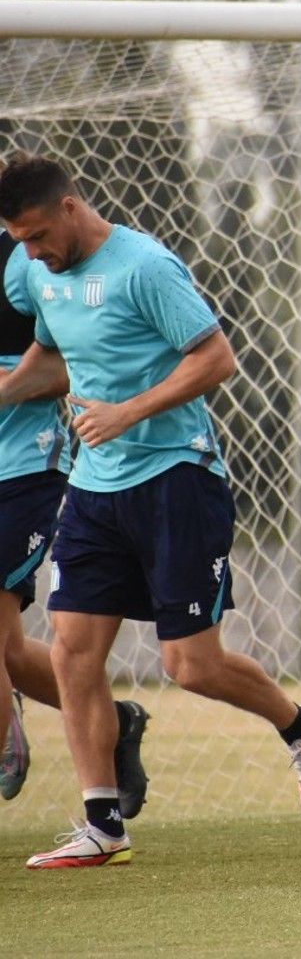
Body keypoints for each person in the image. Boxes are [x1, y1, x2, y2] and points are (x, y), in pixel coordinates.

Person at [0, 154, 301, 869]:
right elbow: (47, 360)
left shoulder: (145, 267)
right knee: (71, 652)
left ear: (70, 207)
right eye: (18, 240)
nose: (29, 253)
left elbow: (217, 358)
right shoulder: (39, 273)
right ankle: (103, 822)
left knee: (191, 664)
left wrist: (129, 411)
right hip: (95, 488)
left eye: (34, 235)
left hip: (178, 476)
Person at [0, 231, 150, 813]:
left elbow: (75, 363)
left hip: (22, 470)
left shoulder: (23, 263)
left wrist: (9, 388)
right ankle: (115, 721)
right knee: (10, 649)